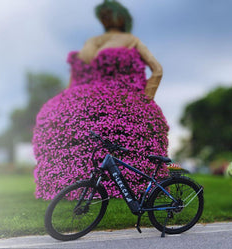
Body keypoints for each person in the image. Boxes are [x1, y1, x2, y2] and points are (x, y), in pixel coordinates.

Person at [33, 0, 169, 200]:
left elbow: (157, 70)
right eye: (103, 15)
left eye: (109, 14)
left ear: (120, 18)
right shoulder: (92, 41)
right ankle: (73, 187)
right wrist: (64, 104)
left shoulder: (131, 40)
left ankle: (136, 188)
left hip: (124, 105)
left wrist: (144, 102)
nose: (105, 19)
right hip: (81, 103)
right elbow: (75, 80)